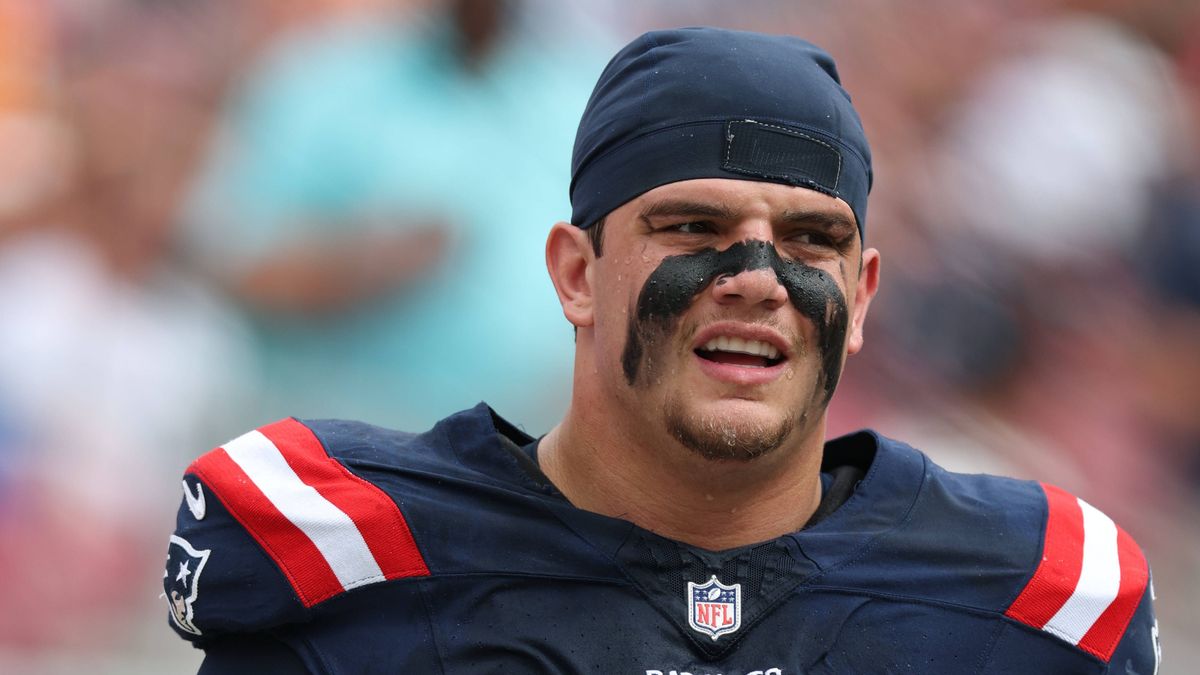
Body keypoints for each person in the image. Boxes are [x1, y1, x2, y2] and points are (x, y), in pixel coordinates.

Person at [163, 27, 1159, 673]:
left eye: (813, 239)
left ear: (860, 298)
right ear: (576, 274)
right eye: (693, 227)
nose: (761, 277)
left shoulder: (1036, 595)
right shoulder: (347, 554)